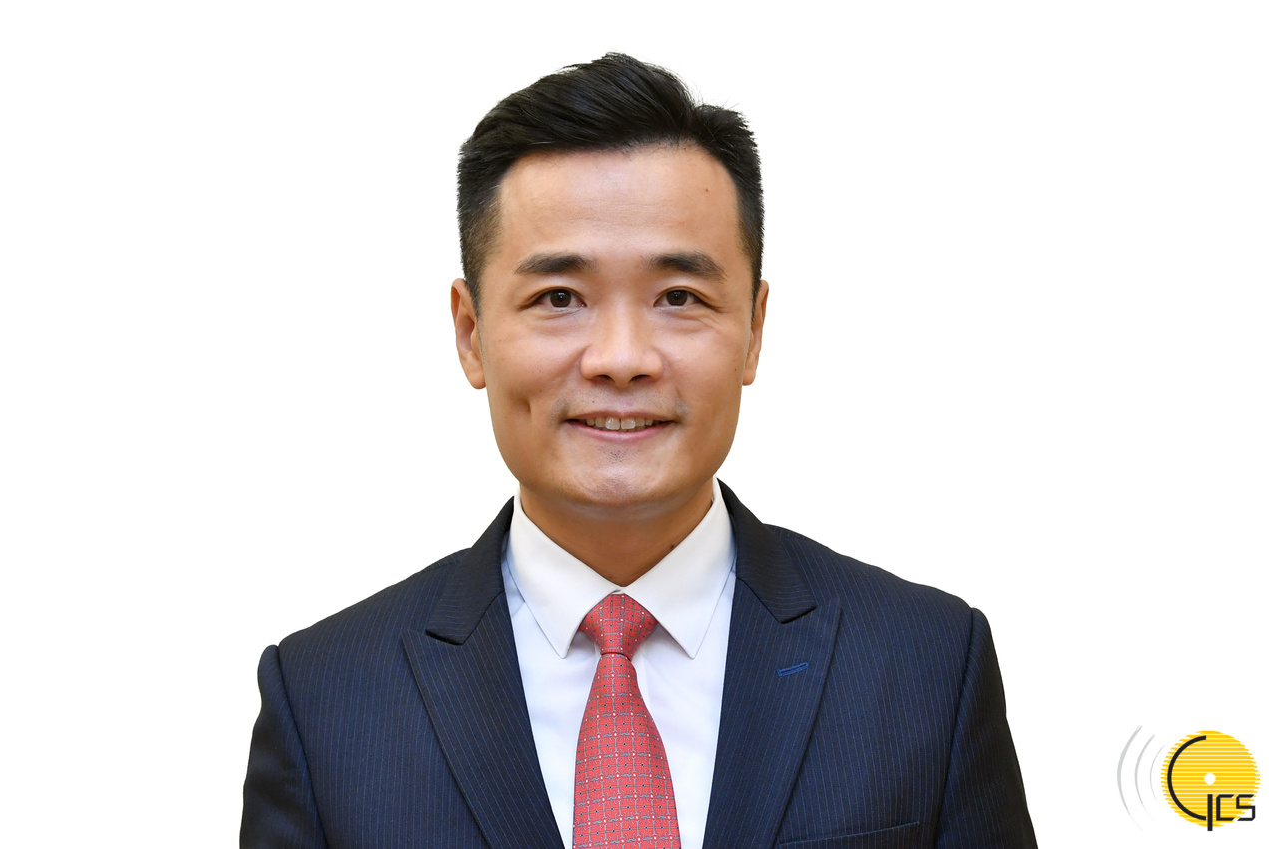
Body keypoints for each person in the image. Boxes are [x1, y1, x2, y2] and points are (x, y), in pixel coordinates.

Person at [241, 53, 1037, 848]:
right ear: (471, 332)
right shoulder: (323, 701)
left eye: (678, 297)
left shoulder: (927, 665)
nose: (621, 359)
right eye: (559, 298)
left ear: (754, 330)